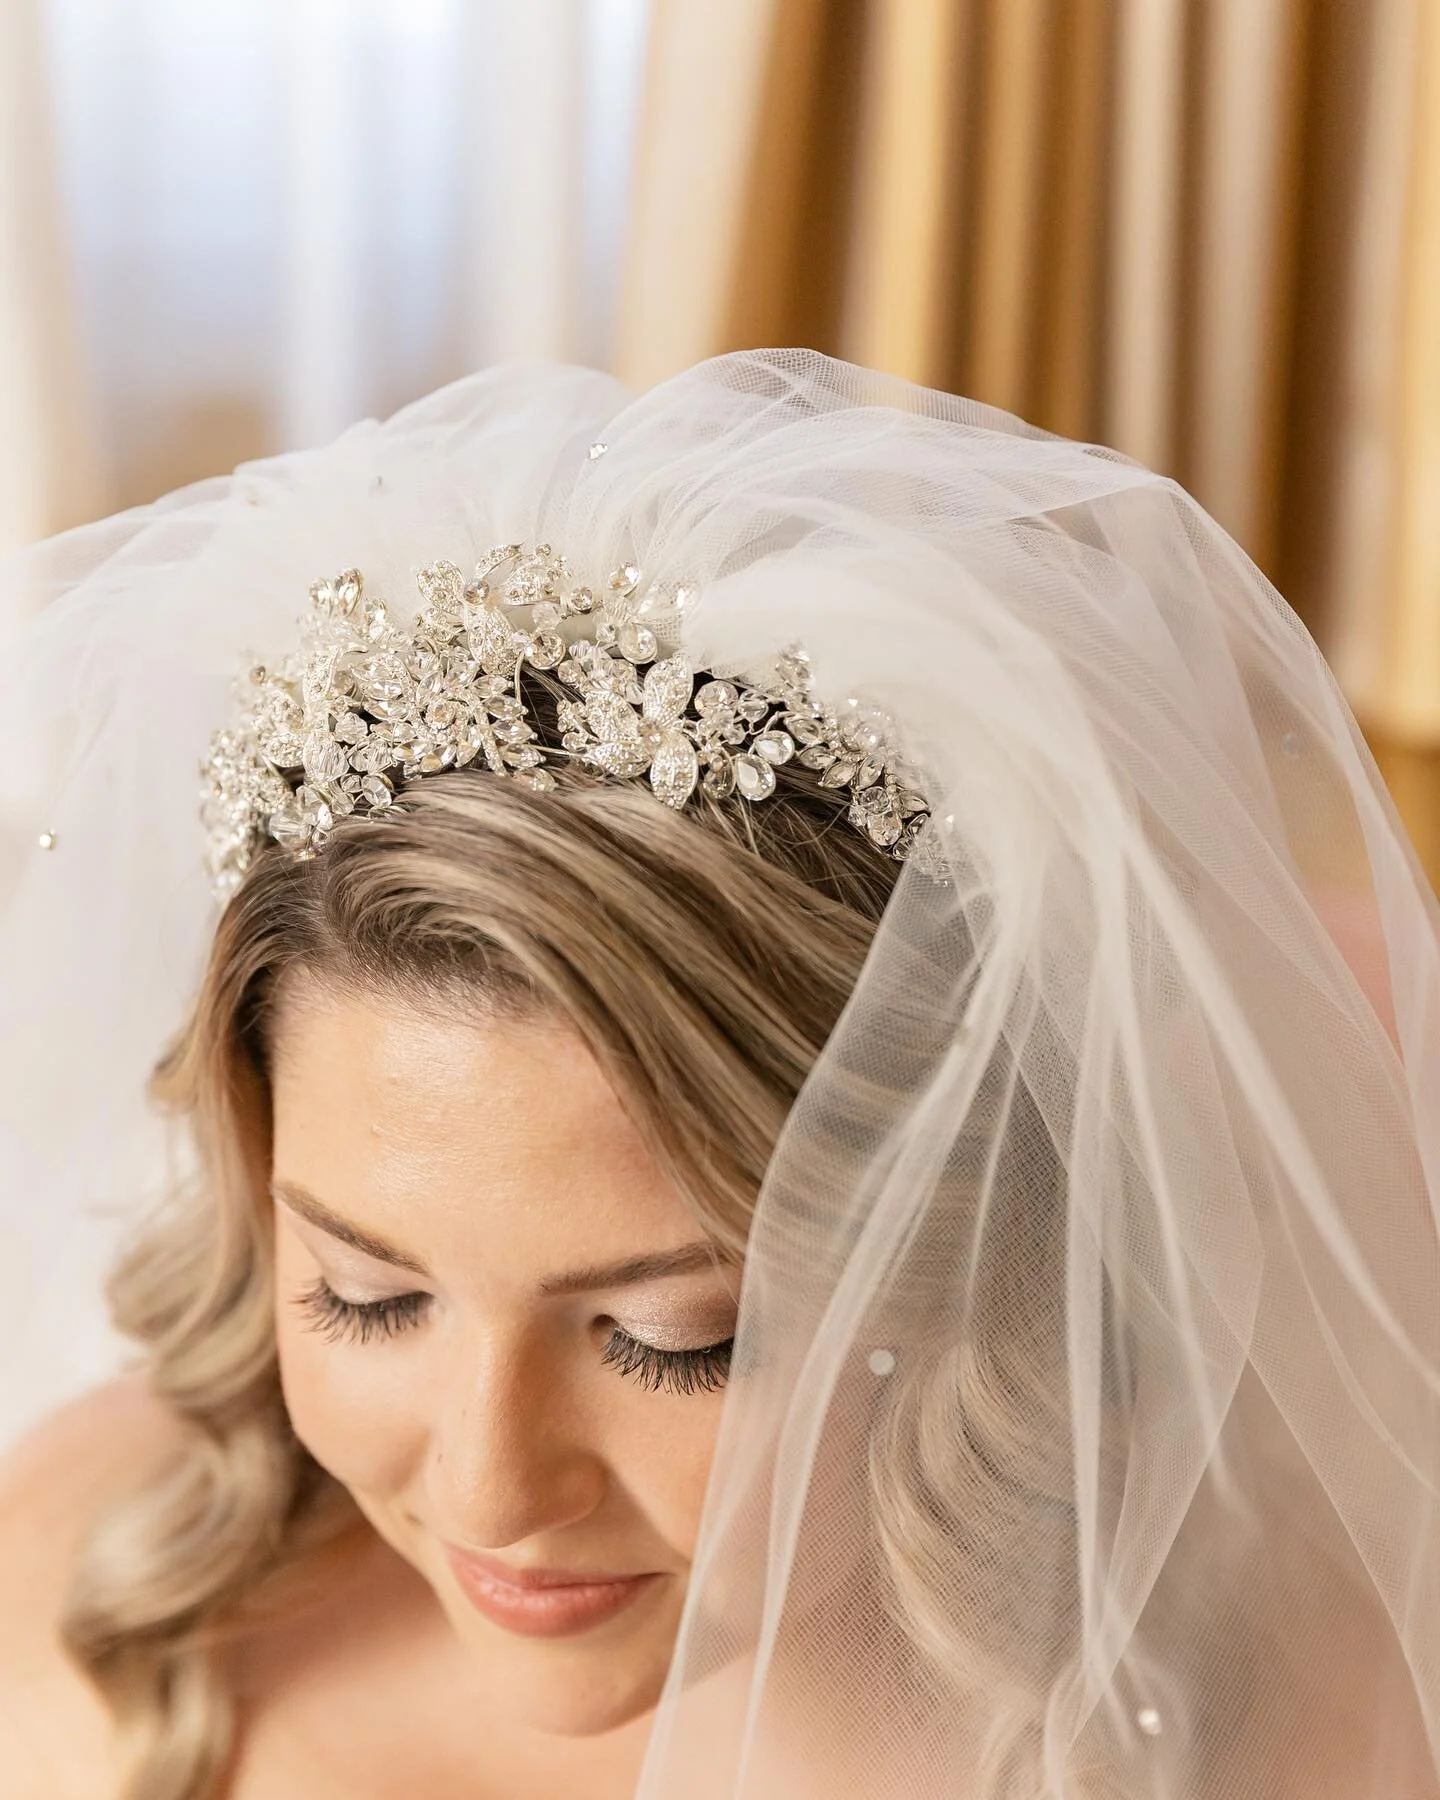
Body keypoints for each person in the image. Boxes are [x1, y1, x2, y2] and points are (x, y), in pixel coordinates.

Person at [1, 349, 1438, 1799]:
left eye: (678, 1337)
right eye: (367, 1299)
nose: (495, 1489)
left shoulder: (1296, 1726)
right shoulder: (99, 1611)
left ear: (972, 1247)